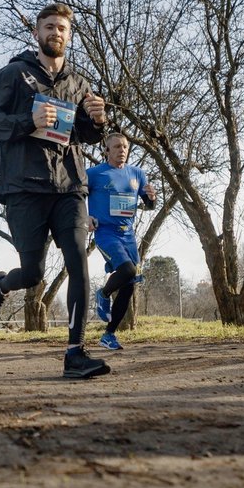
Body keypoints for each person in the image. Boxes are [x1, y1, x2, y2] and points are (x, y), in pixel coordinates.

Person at [0, 2, 111, 379]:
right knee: (32, 273)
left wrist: (98, 122)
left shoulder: (78, 82)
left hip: (69, 185)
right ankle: (1, 285)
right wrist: (27, 120)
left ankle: (75, 353)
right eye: (49, 26)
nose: (56, 32)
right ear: (37, 33)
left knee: (78, 263)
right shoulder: (13, 74)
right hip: (24, 186)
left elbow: (82, 133)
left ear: (69, 36)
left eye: (63, 28)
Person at [88, 133, 157, 350]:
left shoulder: (137, 174)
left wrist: (151, 198)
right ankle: (103, 293)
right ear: (106, 151)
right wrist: (84, 216)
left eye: (125, 146)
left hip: (128, 234)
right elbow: (75, 195)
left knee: (129, 286)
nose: (122, 150)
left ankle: (109, 335)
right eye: (117, 147)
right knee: (127, 270)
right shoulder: (94, 174)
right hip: (106, 233)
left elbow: (149, 203)